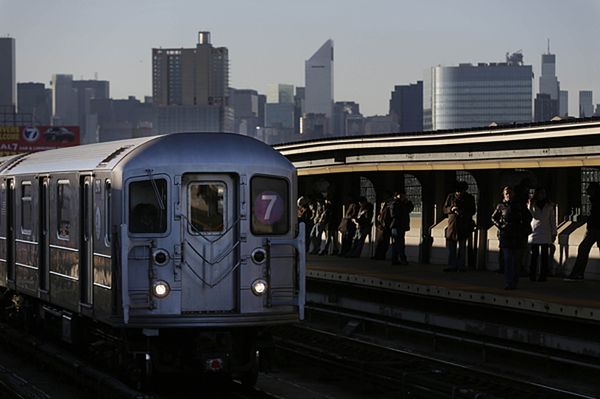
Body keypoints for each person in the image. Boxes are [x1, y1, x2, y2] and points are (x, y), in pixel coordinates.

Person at [492, 186, 532, 290]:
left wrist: (523, 228)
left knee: (516, 260)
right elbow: (493, 218)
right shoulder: (500, 206)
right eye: (506, 194)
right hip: (506, 234)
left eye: (510, 193)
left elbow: (528, 217)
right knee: (508, 259)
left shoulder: (519, 206)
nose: (508, 195)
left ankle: (515, 281)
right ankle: (509, 282)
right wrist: (501, 225)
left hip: (517, 235)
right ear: (504, 195)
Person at [566, 182, 600, 280]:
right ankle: (578, 273)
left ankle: (578, 273)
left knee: (583, 249)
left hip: (595, 229)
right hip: (594, 229)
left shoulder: (596, 201)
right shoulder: (595, 200)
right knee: (583, 249)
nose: (587, 191)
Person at [443, 181, 476, 271]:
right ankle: (452, 265)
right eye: (457, 191)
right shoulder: (450, 196)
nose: (459, 193)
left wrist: (462, 212)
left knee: (462, 248)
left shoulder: (469, 198)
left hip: (464, 225)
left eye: (460, 191)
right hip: (452, 225)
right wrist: (451, 209)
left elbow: (472, 211)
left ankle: (461, 266)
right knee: (452, 248)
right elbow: (444, 209)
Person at [528, 187, 556, 282]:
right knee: (534, 255)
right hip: (534, 231)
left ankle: (543, 276)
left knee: (544, 256)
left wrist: (554, 233)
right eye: (540, 193)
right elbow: (529, 215)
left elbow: (552, 220)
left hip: (545, 231)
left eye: (543, 193)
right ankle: (532, 275)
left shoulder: (549, 205)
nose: (541, 195)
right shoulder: (532, 204)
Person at [389, 191, 414, 265]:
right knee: (399, 243)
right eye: (401, 195)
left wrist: (407, 202)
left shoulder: (404, 203)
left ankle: (395, 259)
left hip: (402, 226)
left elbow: (410, 208)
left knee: (397, 243)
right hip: (396, 226)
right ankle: (402, 259)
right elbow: (393, 214)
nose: (402, 196)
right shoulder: (395, 203)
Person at [372, 193, 394, 260]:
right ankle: (377, 255)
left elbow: (389, 215)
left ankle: (381, 255)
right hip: (381, 225)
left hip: (386, 226)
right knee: (379, 241)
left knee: (384, 241)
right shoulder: (384, 204)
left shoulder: (390, 205)